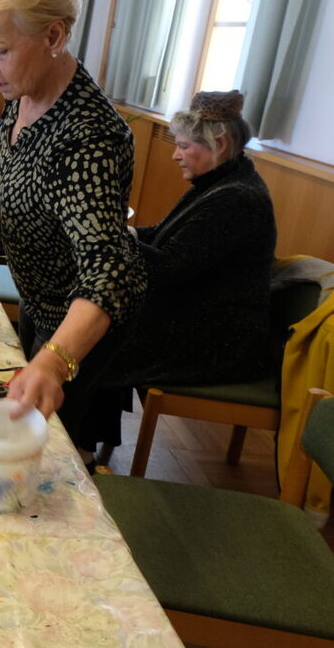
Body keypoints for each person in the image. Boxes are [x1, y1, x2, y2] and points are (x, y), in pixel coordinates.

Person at [0, 0, 147, 466]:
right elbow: (10, 164)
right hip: (40, 298)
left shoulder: (90, 136)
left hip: (80, 328)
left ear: (54, 36)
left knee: (55, 455)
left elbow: (108, 269)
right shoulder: (23, 94)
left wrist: (56, 361)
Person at [85, 91, 277, 446]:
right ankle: (90, 436)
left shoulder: (238, 198)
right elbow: (161, 236)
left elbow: (171, 267)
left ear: (218, 143)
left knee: (97, 334)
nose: (175, 154)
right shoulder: (221, 182)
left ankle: (83, 444)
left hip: (222, 339)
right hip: (202, 316)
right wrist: (116, 231)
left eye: (185, 146)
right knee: (99, 320)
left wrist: (109, 235)